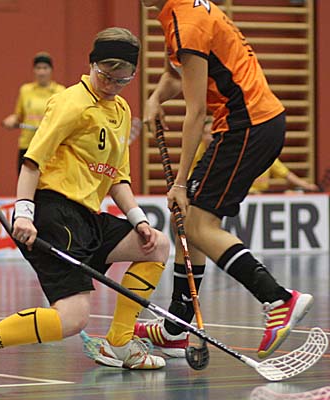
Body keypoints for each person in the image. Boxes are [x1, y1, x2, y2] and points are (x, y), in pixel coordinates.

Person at [0, 27, 171, 379]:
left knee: (156, 246)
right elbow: (32, 162)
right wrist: (24, 213)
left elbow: (117, 178)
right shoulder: (70, 103)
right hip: (54, 213)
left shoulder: (121, 110)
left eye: (122, 79)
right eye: (106, 75)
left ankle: (120, 343)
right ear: (91, 64)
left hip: (88, 217)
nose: (112, 84)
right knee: (72, 318)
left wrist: (139, 220)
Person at [137, 0, 313, 359]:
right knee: (188, 220)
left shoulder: (186, 22)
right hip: (254, 124)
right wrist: (155, 98)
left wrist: (180, 183)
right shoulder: (180, 12)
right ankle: (176, 328)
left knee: (198, 224)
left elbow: (196, 110)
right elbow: (177, 75)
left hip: (245, 125)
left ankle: (278, 298)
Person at [1, 52, 65, 173]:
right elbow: (19, 116)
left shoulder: (60, 91)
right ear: (34, 70)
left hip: (49, 146)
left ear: (51, 70)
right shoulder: (25, 90)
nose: (41, 72)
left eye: (45, 68)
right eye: (38, 68)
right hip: (28, 145)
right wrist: (12, 120)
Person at [250, 159, 320, 194]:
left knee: (290, 193)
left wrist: (307, 186)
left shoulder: (268, 157)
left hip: (261, 194)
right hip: (246, 196)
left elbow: (287, 175)